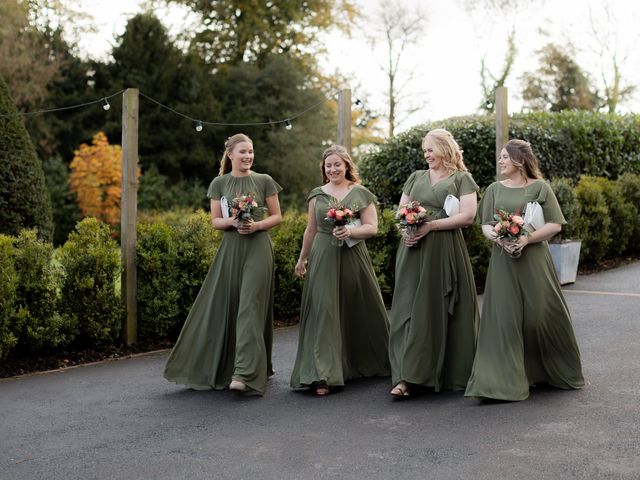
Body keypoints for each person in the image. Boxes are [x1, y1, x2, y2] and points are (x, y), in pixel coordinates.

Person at [465, 139, 584, 401]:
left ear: (520, 160)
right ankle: (497, 383)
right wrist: (500, 239)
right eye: (500, 157)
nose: (500, 161)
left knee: (538, 316)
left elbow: (555, 225)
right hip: (503, 262)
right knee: (503, 319)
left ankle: (543, 371)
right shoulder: (494, 189)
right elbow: (485, 225)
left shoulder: (541, 188)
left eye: (505, 157)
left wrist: (527, 239)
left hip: (534, 262)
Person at [164, 133, 282, 395]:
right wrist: (233, 222)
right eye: (242, 152)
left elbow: (277, 216)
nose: (248, 156)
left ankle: (245, 373)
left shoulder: (264, 181)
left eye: (251, 151)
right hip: (230, 250)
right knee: (225, 306)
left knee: (250, 307)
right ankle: (229, 365)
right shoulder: (219, 183)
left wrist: (256, 225)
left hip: (258, 249)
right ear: (230, 154)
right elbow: (215, 221)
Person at [291, 145, 390, 396]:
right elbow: (311, 229)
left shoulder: (360, 193)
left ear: (346, 165)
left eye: (337, 164)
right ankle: (324, 374)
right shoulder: (317, 195)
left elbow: (372, 227)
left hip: (353, 255)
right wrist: (302, 259)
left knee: (357, 306)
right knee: (324, 310)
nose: (333, 169)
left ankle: (364, 363)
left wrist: (351, 231)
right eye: (328, 165)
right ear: (323, 169)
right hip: (324, 254)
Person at [388, 128, 480, 398]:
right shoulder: (415, 177)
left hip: (444, 250)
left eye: (430, 149)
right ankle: (406, 373)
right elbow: (400, 213)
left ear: (444, 148)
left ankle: (426, 375)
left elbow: (468, 217)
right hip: (412, 250)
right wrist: (405, 231)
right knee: (406, 309)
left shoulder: (462, 179)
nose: (426, 155)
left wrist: (431, 227)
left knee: (433, 309)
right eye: (424, 151)